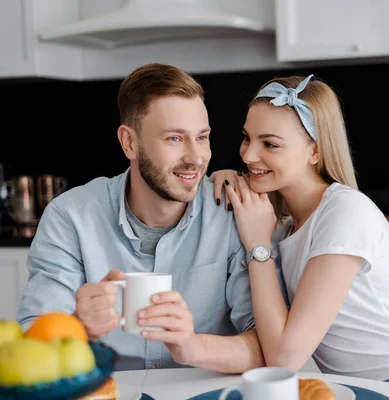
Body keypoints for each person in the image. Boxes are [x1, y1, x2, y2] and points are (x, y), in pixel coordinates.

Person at [211, 74, 389, 399]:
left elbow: (284, 359)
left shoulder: (344, 212)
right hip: (367, 391)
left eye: (269, 144)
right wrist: (224, 183)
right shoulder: (284, 224)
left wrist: (258, 246)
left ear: (314, 152)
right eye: (247, 138)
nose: (247, 155)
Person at [17, 63, 278, 372]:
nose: (196, 158)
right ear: (130, 142)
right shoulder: (70, 217)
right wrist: (76, 327)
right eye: (175, 139)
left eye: (203, 137)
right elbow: (30, 346)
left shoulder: (231, 212)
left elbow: (270, 347)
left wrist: (192, 347)